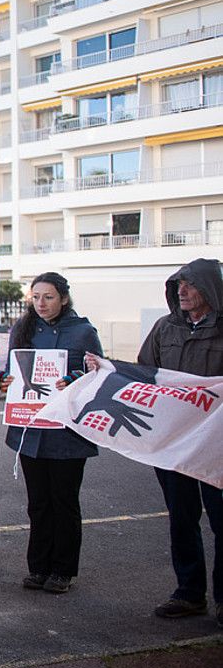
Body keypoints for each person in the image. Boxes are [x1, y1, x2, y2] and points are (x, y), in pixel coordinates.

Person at [0, 272, 102, 595]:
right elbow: (8, 369)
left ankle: (63, 570)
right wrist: (0, 379)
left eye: (49, 297)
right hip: (30, 431)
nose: (41, 303)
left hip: (67, 434)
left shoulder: (83, 332)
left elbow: (99, 373)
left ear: (64, 298)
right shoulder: (23, 329)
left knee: (64, 501)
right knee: (38, 502)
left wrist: (75, 378)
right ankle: (38, 566)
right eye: (36, 297)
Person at [138, 258, 223, 624]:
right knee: (181, 519)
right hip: (173, 443)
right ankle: (189, 593)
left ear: (211, 289)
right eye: (177, 285)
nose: (182, 292)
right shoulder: (164, 328)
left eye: (189, 285)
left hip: (216, 443)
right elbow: (143, 374)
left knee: (221, 522)